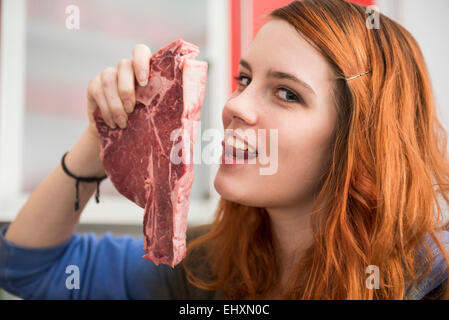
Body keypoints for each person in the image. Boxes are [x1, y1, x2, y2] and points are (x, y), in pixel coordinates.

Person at [1, 0, 449, 300]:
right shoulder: (207, 266)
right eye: (245, 79)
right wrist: (99, 141)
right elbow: (31, 270)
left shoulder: (432, 281)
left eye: (287, 94)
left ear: (361, 139)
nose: (234, 106)